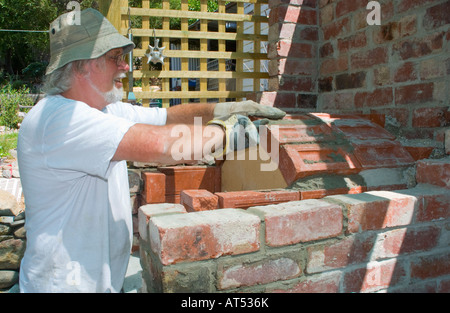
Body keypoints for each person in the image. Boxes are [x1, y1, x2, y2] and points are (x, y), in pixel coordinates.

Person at [17, 8, 285, 293]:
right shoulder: (60, 119)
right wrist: (226, 133)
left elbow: (168, 117)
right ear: (82, 64)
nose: (125, 66)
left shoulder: (104, 109)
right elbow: (162, 145)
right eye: (114, 58)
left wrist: (222, 109)